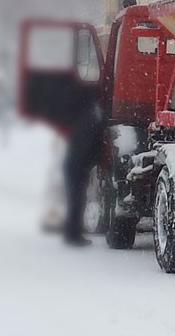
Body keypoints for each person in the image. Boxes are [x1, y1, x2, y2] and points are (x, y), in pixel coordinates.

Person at [62, 103, 106, 247]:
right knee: (77, 200)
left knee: (75, 199)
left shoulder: (82, 122)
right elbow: (87, 149)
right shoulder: (89, 125)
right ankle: (73, 234)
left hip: (74, 165)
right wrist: (96, 160)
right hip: (78, 167)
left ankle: (72, 232)